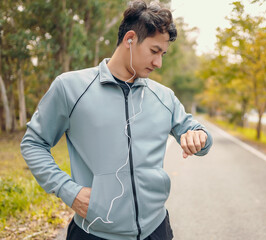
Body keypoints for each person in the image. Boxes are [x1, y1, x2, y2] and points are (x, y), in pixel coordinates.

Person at [20, 1, 213, 240]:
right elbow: (33, 144)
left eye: (162, 54)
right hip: (94, 232)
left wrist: (200, 136)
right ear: (130, 39)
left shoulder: (164, 97)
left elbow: (196, 132)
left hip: (156, 229)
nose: (158, 63)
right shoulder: (70, 88)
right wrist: (68, 190)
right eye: (154, 51)